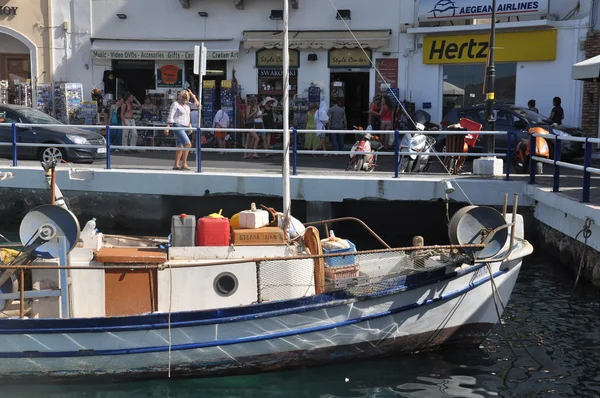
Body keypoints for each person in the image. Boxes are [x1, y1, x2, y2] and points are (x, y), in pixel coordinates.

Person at [165, 90, 196, 170]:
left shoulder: (188, 105)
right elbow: (171, 115)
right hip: (178, 125)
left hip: (185, 126)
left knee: (180, 146)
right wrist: (168, 126)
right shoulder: (175, 104)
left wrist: (192, 95)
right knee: (188, 144)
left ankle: (176, 164)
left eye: (186, 97)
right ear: (179, 96)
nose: (184, 99)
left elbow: (198, 106)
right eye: (183, 97)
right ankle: (184, 163)